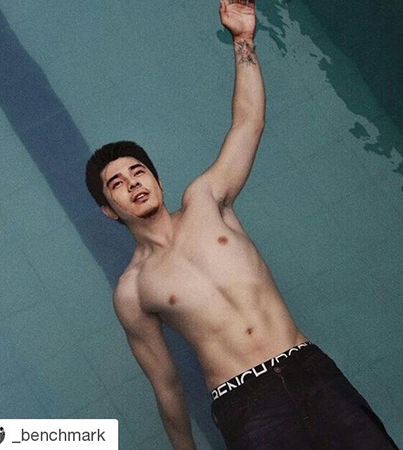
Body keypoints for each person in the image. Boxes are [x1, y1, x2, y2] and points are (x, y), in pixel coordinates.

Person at [85, 1, 399, 449]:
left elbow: (248, 124)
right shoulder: (133, 290)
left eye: (139, 171)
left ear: (157, 179)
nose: (133, 183)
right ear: (108, 210)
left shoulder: (206, 200)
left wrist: (243, 40)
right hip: (245, 404)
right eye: (117, 183)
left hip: (307, 368)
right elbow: (167, 386)